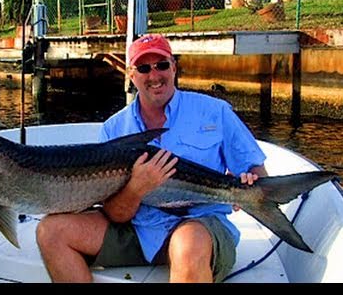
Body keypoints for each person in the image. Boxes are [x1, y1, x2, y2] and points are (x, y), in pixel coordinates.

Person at [36, 33, 268, 283]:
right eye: (144, 68)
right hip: (138, 228)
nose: (154, 75)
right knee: (50, 231)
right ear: (131, 75)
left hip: (201, 225)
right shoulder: (113, 129)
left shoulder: (215, 111)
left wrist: (249, 184)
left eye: (162, 65)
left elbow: (258, 174)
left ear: (174, 67)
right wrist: (136, 188)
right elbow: (115, 213)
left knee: (187, 245)